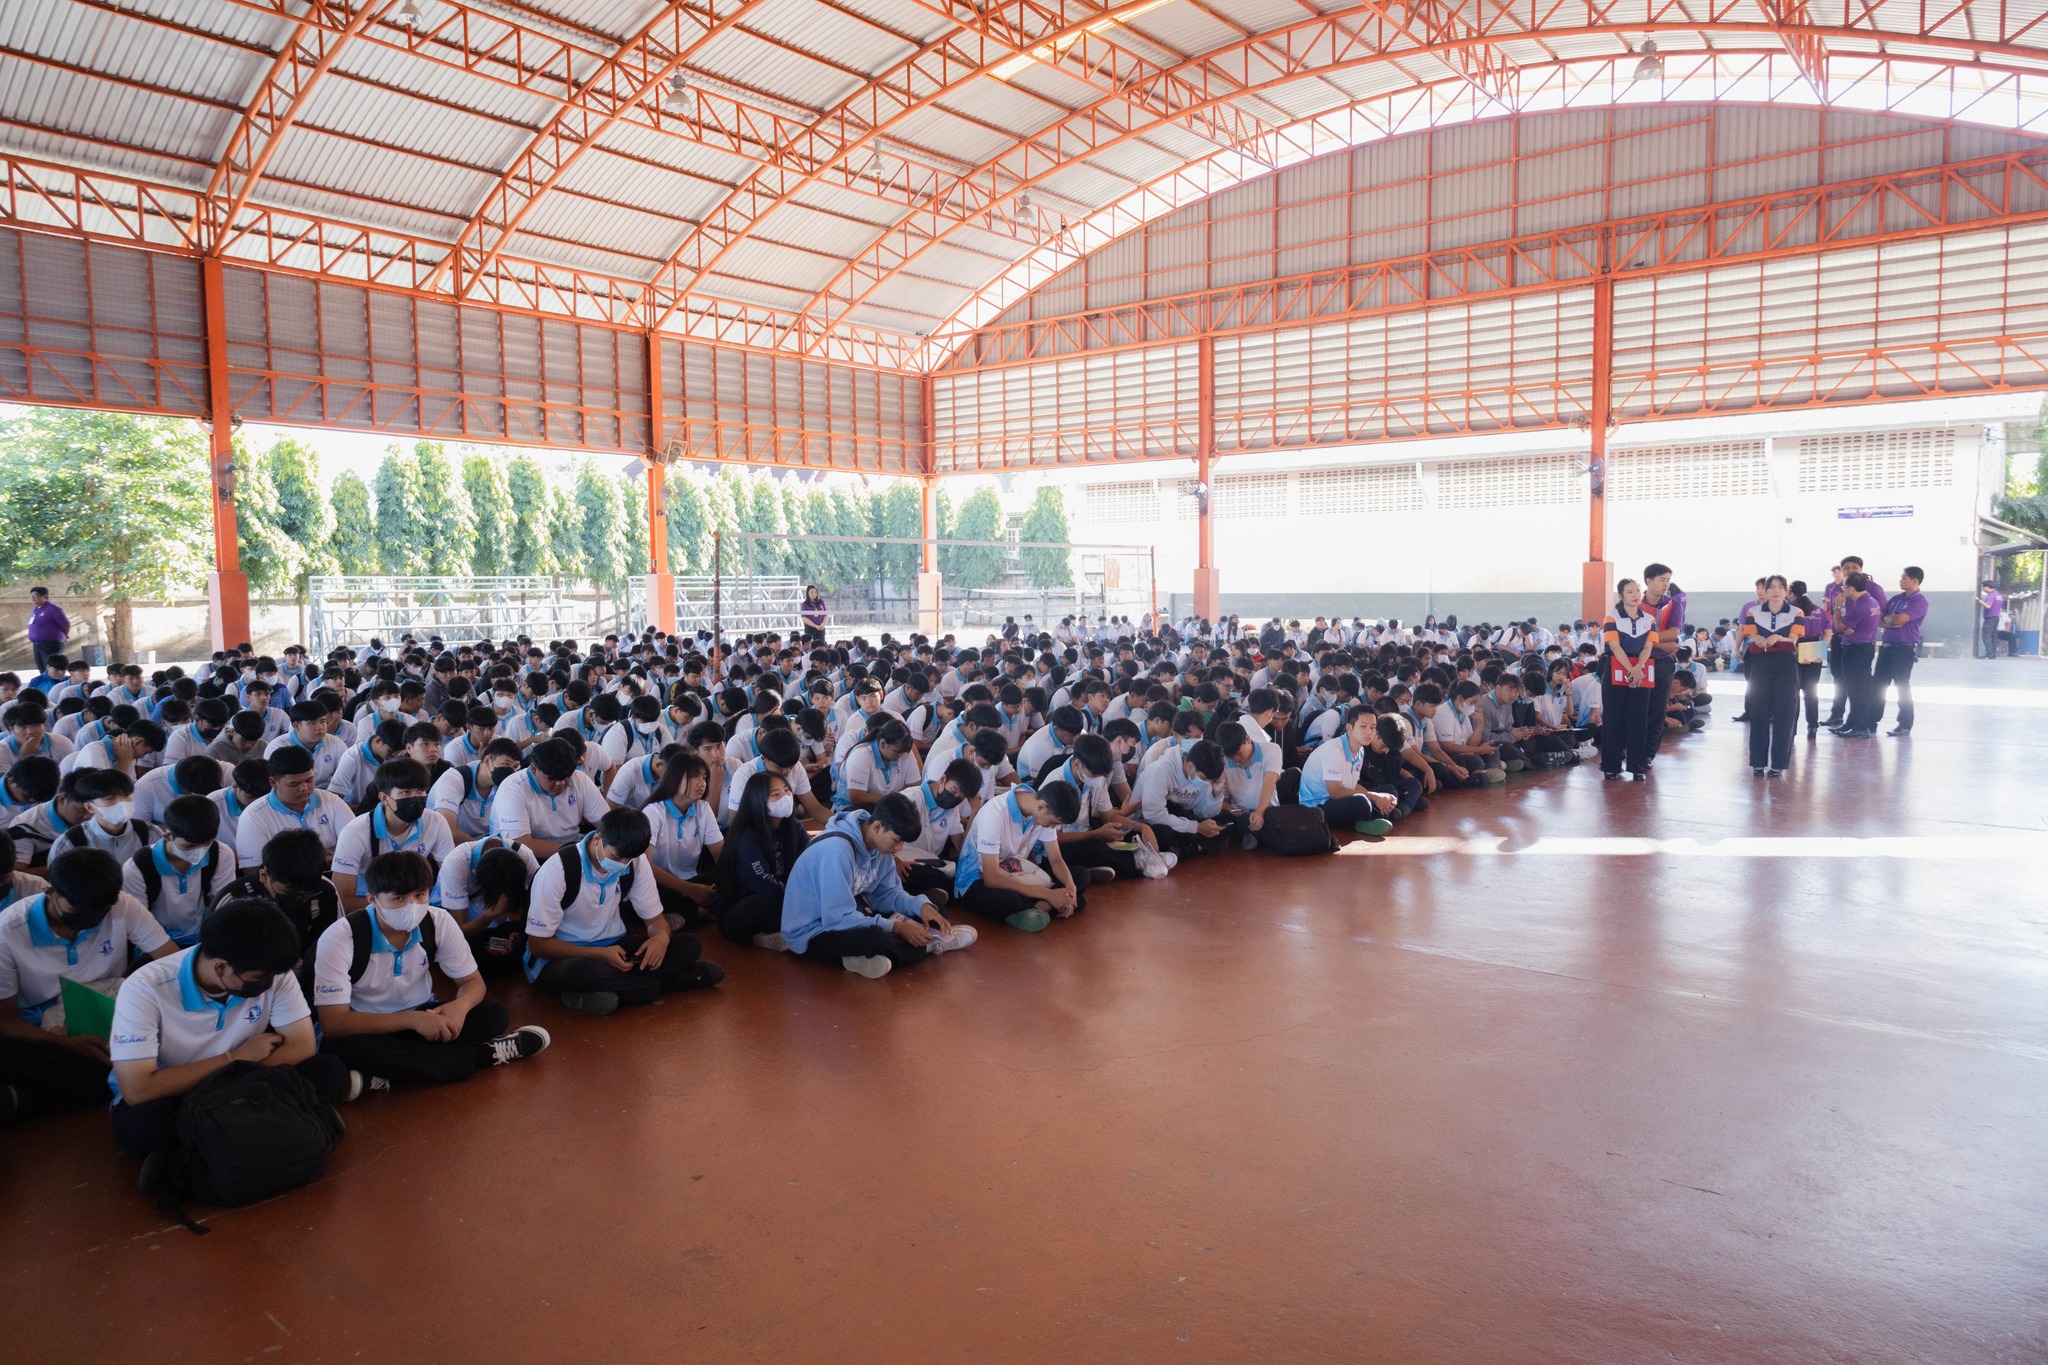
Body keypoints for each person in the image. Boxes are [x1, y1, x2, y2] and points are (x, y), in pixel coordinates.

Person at [108, 896, 353, 1165]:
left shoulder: (270, 970)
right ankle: (275, 1122)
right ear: (221, 967)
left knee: (330, 1069)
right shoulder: (144, 988)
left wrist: (234, 1080)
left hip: (240, 1080)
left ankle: (210, 1141)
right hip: (180, 1091)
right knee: (139, 1128)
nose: (269, 984)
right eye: (260, 978)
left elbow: (302, 1045)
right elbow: (138, 1088)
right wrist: (235, 1059)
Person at [312, 851, 549, 1090]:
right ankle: (486, 1055)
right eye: (398, 899)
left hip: (424, 1014)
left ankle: (386, 1077)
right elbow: (334, 1023)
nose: (412, 906)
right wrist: (412, 1020)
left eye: (419, 895)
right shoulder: (341, 938)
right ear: (372, 899)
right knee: (344, 1050)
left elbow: (472, 982)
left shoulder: (438, 922)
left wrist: (460, 1006)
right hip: (368, 1027)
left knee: (494, 1015)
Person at [0, 849, 177, 1122]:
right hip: (40, 1028)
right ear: (49, 892)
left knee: (116, 1066)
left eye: (101, 910)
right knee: (89, 1073)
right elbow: (6, 1020)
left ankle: (22, 1098)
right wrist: (68, 1043)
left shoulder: (122, 906)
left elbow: (171, 962)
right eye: (78, 909)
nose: (91, 918)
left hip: (106, 1009)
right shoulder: (8, 931)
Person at [523, 807, 723, 1016]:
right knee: (592, 973)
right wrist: (598, 955)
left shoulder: (635, 861)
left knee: (689, 945)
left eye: (628, 859)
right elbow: (538, 945)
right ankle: (670, 982)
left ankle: (624, 990)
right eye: (617, 857)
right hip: (564, 957)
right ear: (598, 839)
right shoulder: (558, 870)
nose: (622, 864)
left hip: (613, 947)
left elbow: (655, 920)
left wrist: (660, 938)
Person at [779, 793, 975, 979]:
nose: (899, 849)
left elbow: (887, 893)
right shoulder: (836, 852)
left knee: (934, 910)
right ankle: (932, 945)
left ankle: (863, 957)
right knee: (874, 938)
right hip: (813, 931)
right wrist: (896, 927)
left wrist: (920, 905)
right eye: (897, 840)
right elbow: (837, 918)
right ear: (878, 826)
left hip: (850, 911)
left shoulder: (880, 847)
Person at [952, 781, 1089, 933]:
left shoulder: (1041, 812)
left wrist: (1071, 887)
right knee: (1009, 900)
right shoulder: (995, 813)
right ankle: (1050, 903)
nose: (1052, 827)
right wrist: (1049, 894)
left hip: (1014, 871)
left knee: (1081, 875)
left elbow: (1056, 859)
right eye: (1053, 822)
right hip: (975, 880)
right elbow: (991, 878)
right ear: (1042, 807)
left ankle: (1042, 907)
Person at [710, 769, 809, 947]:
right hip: (742, 905)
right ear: (758, 801)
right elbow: (760, 880)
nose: (785, 797)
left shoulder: (795, 828)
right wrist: (798, 898)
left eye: (786, 791)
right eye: (775, 794)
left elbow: (808, 864)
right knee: (763, 905)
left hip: (782, 895)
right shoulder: (747, 834)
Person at [1738, 576, 1804, 777]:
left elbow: (1793, 639)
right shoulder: (1754, 612)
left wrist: (1780, 637)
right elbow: (1749, 634)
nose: (1776, 591)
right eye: (1771, 587)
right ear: (1764, 591)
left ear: (1786, 591)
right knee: (1758, 713)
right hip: (1760, 664)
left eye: (1781, 587)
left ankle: (1778, 763)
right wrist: (1756, 638)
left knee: (1785, 713)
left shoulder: (1796, 612)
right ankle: (1757, 762)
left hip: (1785, 665)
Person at [1297, 706, 1397, 835]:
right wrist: (1373, 797)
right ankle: (1367, 820)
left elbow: (1352, 785)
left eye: (1372, 728)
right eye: (1363, 726)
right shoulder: (1334, 750)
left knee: (1389, 791)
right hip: (1317, 808)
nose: (1369, 732)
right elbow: (1335, 792)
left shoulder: (1359, 750)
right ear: (1350, 728)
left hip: (1338, 800)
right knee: (1362, 801)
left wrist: (1378, 797)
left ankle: (1367, 819)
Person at [1601, 578, 1658, 781]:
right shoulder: (1612, 617)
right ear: (1621, 596)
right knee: (1613, 717)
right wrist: (1630, 668)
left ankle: (1637, 766)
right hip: (1617, 666)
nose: (1635, 595)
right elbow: (1615, 647)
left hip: (1641, 669)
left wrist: (1638, 667)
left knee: (1639, 718)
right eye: (1629, 592)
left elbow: (1648, 647)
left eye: (1637, 591)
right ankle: (1611, 765)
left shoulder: (1649, 619)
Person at [1640, 563, 1686, 762]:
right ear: (1648, 581)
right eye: (1661, 580)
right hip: (1639, 663)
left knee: (1658, 710)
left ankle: (1649, 753)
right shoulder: (1635, 604)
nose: (1666, 584)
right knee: (1639, 707)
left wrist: (1648, 639)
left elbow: (1674, 633)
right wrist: (1664, 643)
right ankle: (1634, 749)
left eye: (1668, 580)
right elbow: (1632, 637)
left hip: (1662, 664)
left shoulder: (1672, 604)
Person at [1873, 568, 1928, 736]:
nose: (1900, 581)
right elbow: (1879, 619)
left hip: (1904, 648)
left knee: (1901, 685)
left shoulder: (1919, 601)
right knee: (1878, 685)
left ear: (1915, 580)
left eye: (1904, 578)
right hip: (1887, 646)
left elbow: (1899, 619)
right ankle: (1871, 720)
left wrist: (1892, 619)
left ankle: (1904, 724)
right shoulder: (1896, 599)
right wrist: (1891, 621)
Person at [1830, 572, 1881, 738]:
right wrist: (1847, 627)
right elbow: (1847, 627)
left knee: (1856, 689)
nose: (1842, 590)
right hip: (1864, 647)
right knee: (1858, 688)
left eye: (1844, 586)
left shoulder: (1861, 606)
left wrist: (1837, 606)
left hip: (1856, 650)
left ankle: (1860, 727)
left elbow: (1838, 626)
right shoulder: (1870, 601)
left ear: (1851, 588)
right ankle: (1852, 723)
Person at [25, 588, 70, 674]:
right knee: (42, 669)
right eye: (31, 596)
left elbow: (66, 625)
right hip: (38, 644)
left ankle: (54, 686)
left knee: (52, 669)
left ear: (45, 596)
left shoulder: (53, 609)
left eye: (36, 596)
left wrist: (63, 636)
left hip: (51, 644)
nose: (33, 598)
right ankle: (46, 687)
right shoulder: (36, 609)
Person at [1977, 580, 2005, 659]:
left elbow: (1988, 606)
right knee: (1993, 636)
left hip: (1990, 618)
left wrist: (1979, 600)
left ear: (1987, 587)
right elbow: (2000, 608)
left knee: (1986, 636)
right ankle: (1993, 654)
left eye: (1984, 587)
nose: (1983, 589)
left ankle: (1988, 653)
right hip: (1996, 617)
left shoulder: (1991, 595)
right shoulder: (1998, 595)